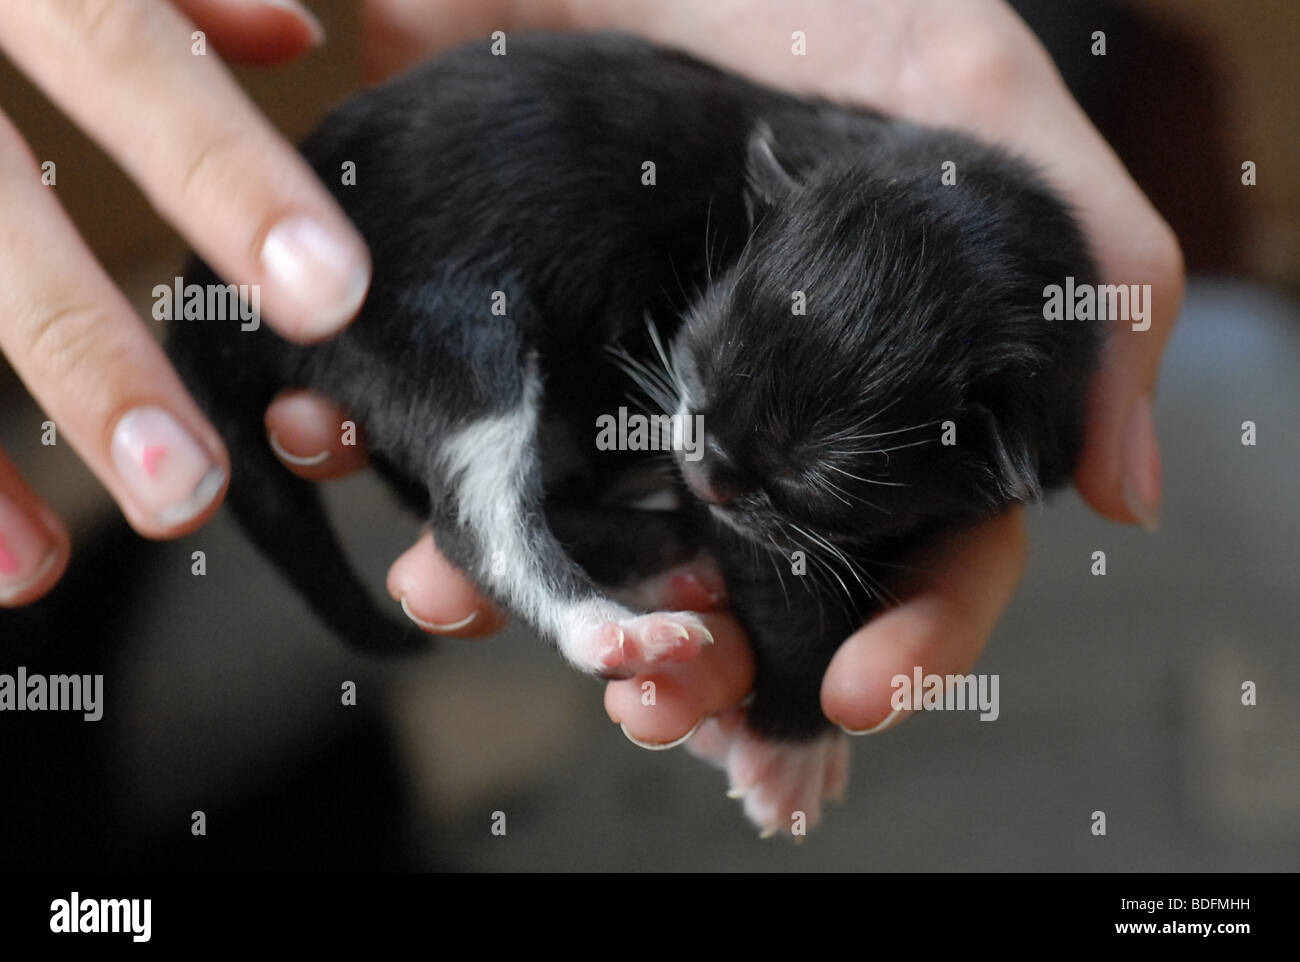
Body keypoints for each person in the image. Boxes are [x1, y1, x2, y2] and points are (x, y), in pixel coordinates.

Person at [0, 0, 1182, 748]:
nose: (705, 474)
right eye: (710, 380)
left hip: (477, 238)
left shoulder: (982, 357)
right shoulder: (795, 179)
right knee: (481, 439)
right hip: (407, 238)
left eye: (790, 468)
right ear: (765, 221)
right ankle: (547, 583)